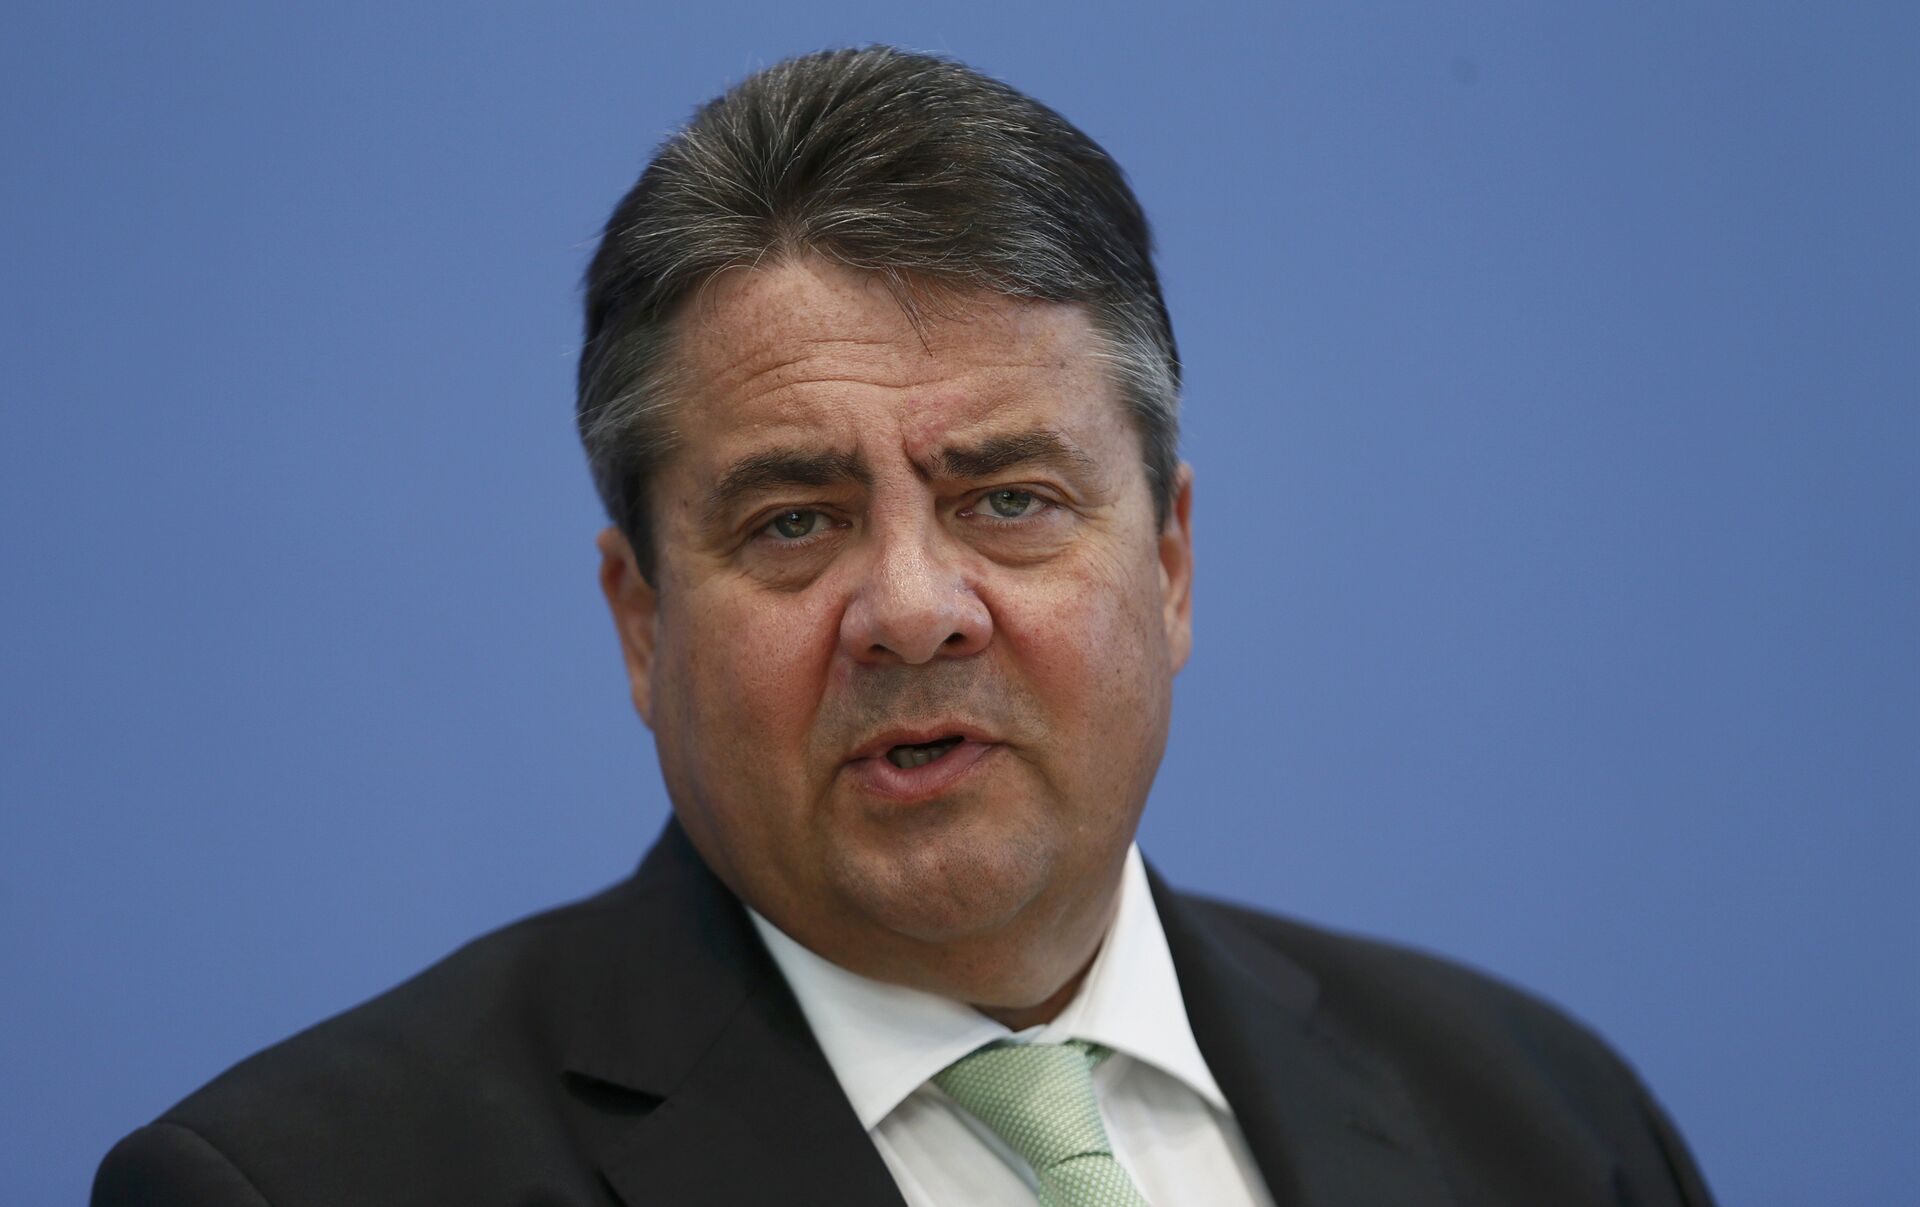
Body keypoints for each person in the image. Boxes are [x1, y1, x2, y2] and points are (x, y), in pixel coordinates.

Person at [94, 46, 1716, 1206]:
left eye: (1008, 497)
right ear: (642, 627)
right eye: (793, 522)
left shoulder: (1543, 1126)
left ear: (1169, 565)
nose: (916, 612)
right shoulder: (303, 1181)